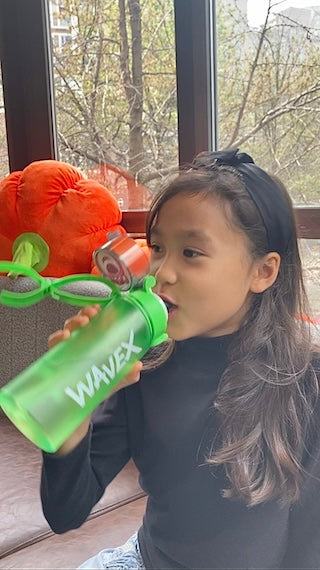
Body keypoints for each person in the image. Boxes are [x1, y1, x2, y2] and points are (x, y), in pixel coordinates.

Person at [40, 148, 320, 569]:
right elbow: (65, 513)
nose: (160, 273)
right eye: (156, 248)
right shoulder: (142, 363)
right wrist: (72, 416)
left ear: (262, 272)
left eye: (191, 253)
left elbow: (308, 542)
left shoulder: (305, 377)